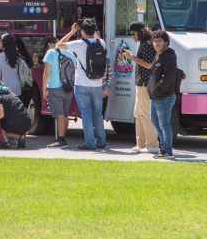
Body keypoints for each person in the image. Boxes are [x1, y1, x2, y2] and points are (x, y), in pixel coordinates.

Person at [61, 19, 112, 151]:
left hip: (82, 84)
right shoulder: (101, 43)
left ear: (81, 31)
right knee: (97, 114)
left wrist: (71, 32)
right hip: (97, 84)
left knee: (86, 114)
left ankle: (89, 143)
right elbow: (97, 38)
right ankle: (101, 141)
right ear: (94, 30)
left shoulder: (78, 43)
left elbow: (59, 45)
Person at [121, 23, 160, 154]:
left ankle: (152, 144)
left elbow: (148, 65)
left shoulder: (148, 44)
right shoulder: (145, 42)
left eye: (133, 34)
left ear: (141, 31)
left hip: (145, 83)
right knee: (138, 114)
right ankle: (141, 144)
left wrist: (132, 57)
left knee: (145, 114)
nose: (132, 37)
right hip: (141, 83)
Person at [148, 30, 179, 160]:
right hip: (155, 97)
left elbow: (167, 78)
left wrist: (157, 91)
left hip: (164, 97)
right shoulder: (158, 55)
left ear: (166, 42)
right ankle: (163, 147)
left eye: (159, 41)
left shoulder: (169, 57)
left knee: (165, 124)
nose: (156, 44)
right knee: (154, 122)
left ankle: (168, 151)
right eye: (155, 41)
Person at [41, 36, 77, 148]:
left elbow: (47, 73)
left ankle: (61, 140)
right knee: (65, 114)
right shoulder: (70, 53)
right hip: (68, 88)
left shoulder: (50, 53)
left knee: (59, 115)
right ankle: (63, 137)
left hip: (54, 87)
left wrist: (44, 89)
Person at [0, 80, 32, 149]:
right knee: (11, 120)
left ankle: (7, 141)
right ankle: (20, 136)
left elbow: (0, 115)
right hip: (27, 123)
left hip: (16, 124)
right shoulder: (12, 95)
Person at [0, 34, 23, 98]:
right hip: (17, 87)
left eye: (0, 41)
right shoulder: (17, 56)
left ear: (4, 43)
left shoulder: (0, 56)